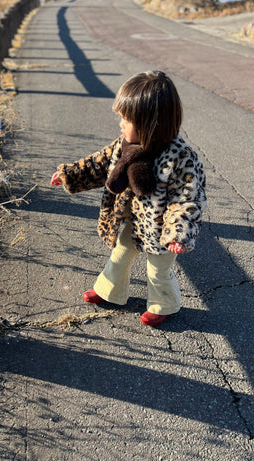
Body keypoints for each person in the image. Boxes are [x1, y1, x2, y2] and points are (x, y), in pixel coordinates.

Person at [51, 70, 206, 327]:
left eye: (126, 119)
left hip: (164, 232)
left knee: (157, 270)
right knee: (120, 254)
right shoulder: (124, 146)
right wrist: (69, 174)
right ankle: (110, 291)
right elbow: (98, 164)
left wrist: (177, 233)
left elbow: (188, 199)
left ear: (150, 125)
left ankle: (164, 304)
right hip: (137, 223)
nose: (120, 124)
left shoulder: (181, 158)